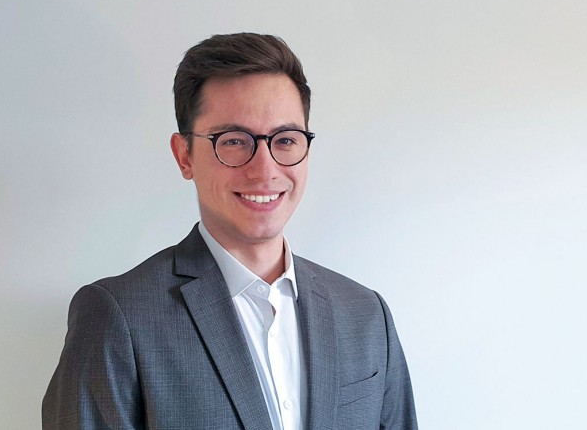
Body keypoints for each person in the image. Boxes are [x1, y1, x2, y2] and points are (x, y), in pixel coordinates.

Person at [43, 33, 418, 429]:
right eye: (235, 141)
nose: (264, 169)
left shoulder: (366, 314)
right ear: (185, 156)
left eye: (285, 140)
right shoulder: (117, 316)